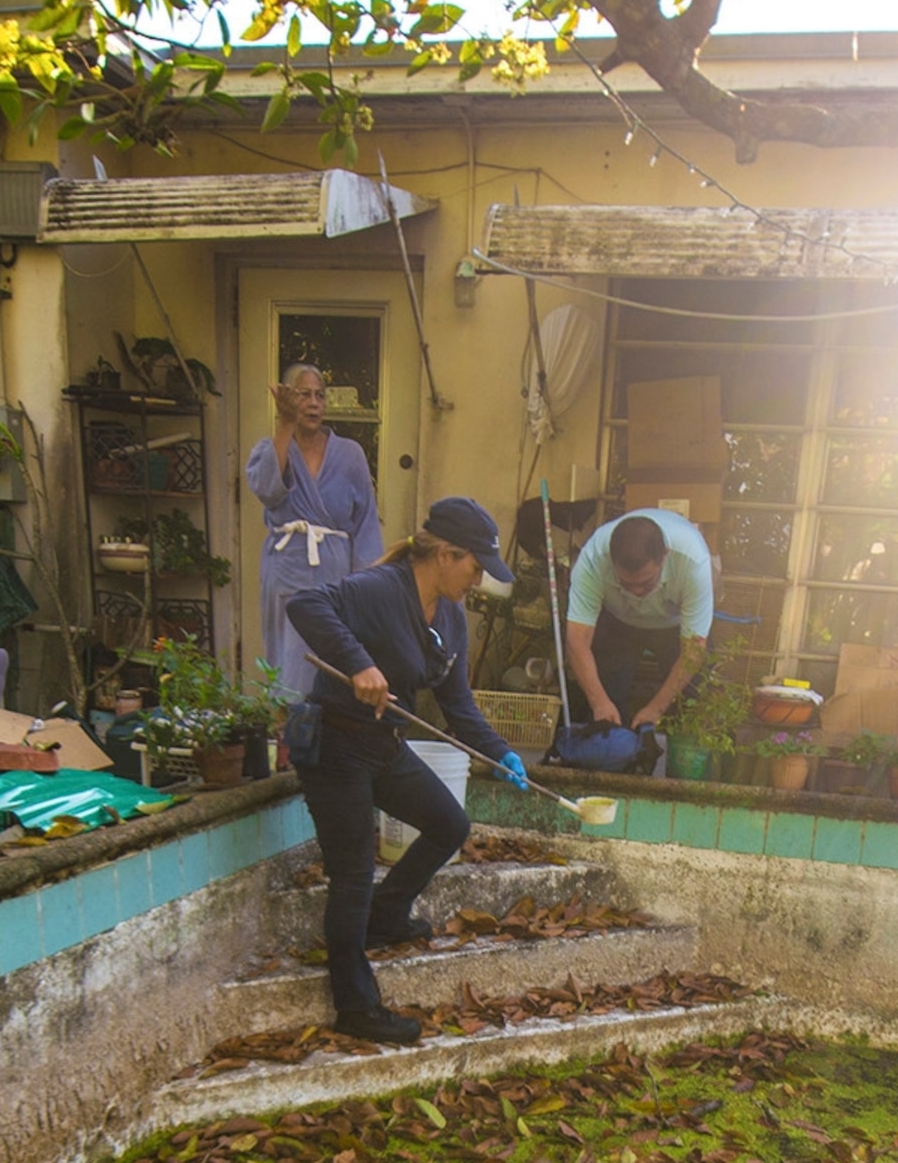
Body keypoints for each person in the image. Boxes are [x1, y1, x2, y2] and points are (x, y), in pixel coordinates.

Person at [286, 497, 532, 1044]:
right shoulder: (379, 590)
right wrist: (359, 665)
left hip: (383, 747)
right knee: (351, 875)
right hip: (336, 747)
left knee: (450, 825)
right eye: (475, 568)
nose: (478, 581)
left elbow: (458, 703)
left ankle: (387, 916)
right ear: (446, 555)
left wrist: (499, 751)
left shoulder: (449, 617)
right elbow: (305, 605)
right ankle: (356, 1007)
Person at [243, 362, 383, 698]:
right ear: (288, 399)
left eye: (320, 395)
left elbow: (365, 524)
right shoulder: (271, 448)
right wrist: (284, 425)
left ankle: (323, 735)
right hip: (287, 566)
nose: (314, 402)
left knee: (332, 656)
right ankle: (287, 735)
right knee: (286, 662)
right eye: (304, 395)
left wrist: (365, 585)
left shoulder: (351, 454)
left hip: (334, 573)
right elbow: (266, 490)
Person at [564, 508, 717, 730]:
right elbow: (577, 639)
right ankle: (610, 754)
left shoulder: (693, 561)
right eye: (626, 583)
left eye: (646, 582)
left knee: (692, 697)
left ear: (665, 555)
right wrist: (599, 703)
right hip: (618, 621)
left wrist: (655, 709)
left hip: (674, 625)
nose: (637, 593)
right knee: (605, 697)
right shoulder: (594, 558)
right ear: (611, 559)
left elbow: (694, 649)